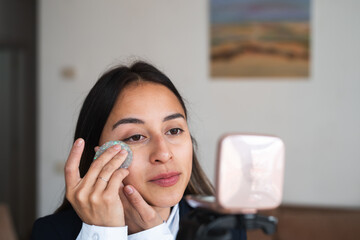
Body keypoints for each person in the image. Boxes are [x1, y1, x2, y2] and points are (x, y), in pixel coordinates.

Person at [31, 61, 246, 240]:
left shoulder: (225, 227)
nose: (163, 154)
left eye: (174, 130)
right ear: (98, 155)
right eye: (135, 137)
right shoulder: (51, 233)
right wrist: (105, 234)